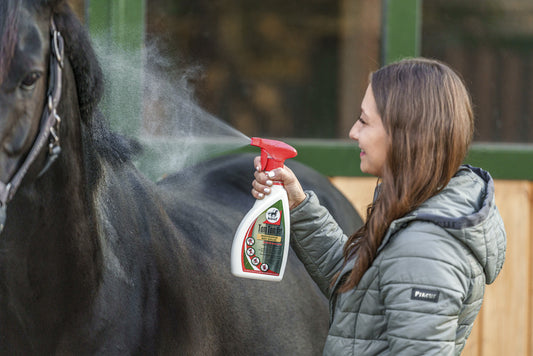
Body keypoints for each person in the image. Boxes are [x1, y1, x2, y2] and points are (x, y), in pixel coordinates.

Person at [251, 57, 506, 355]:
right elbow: (358, 292)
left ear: (404, 134)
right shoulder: (420, 207)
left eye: (364, 121)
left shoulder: (424, 249)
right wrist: (297, 204)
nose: (353, 132)